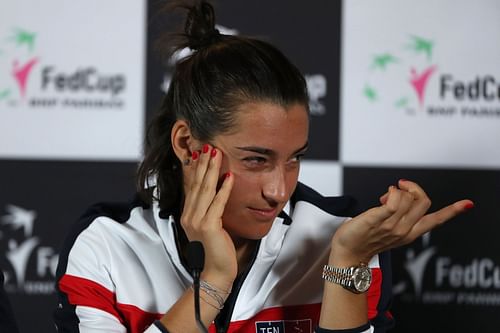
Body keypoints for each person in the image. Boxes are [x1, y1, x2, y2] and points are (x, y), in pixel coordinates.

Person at [53, 1, 473, 332]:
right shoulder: (106, 246)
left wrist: (348, 263)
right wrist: (214, 280)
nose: (279, 189)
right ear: (186, 143)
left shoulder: (343, 236)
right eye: (256, 159)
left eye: (295, 159)